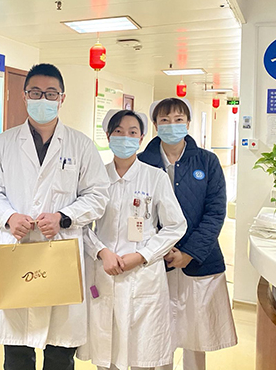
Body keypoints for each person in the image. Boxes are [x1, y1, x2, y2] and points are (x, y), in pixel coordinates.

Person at [0, 63, 110, 370]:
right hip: (16, 250)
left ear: (62, 98)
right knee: (17, 352)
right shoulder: (4, 143)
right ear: (25, 96)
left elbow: (98, 194)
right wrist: (9, 217)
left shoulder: (80, 144)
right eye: (36, 93)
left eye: (51, 93)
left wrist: (65, 217)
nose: (43, 99)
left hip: (60, 252)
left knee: (59, 352)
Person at [77, 109, 187, 370]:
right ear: (108, 136)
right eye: (118, 132)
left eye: (132, 132)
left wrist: (142, 256)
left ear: (141, 139)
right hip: (105, 269)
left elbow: (175, 225)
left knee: (142, 352)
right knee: (107, 349)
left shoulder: (155, 177)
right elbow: (81, 224)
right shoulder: (95, 178)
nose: (125, 137)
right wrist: (102, 252)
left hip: (143, 273)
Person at [137, 98, 237, 370]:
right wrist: (158, 250)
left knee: (196, 334)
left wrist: (189, 252)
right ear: (155, 125)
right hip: (156, 261)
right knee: (158, 332)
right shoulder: (141, 163)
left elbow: (215, 212)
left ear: (188, 123)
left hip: (199, 260)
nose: (172, 125)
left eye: (178, 119)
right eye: (165, 120)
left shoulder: (207, 161)